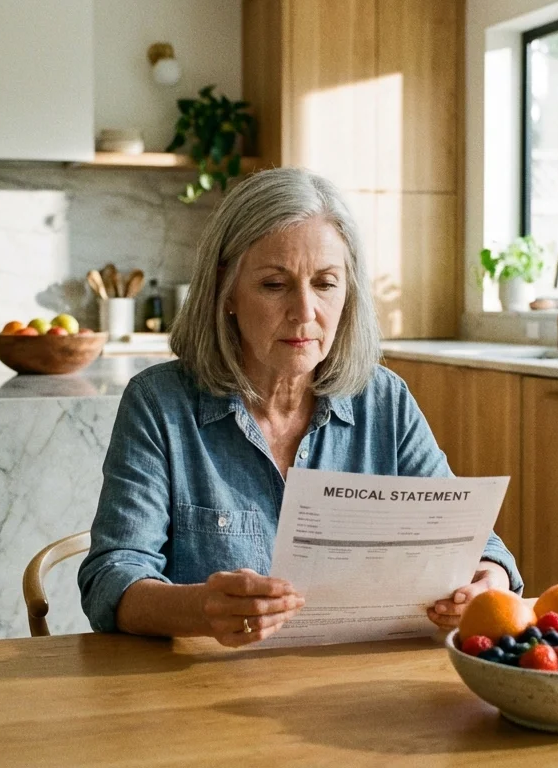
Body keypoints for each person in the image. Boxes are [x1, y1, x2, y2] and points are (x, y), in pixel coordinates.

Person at [78, 167, 522, 646]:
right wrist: (200, 610)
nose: (305, 311)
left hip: (357, 685)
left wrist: (488, 578)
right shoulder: (159, 404)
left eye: (326, 283)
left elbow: (472, 543)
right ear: (225, 290)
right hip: (202, 692)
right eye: (274, 285)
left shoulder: (385, 401)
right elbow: (112, 577)